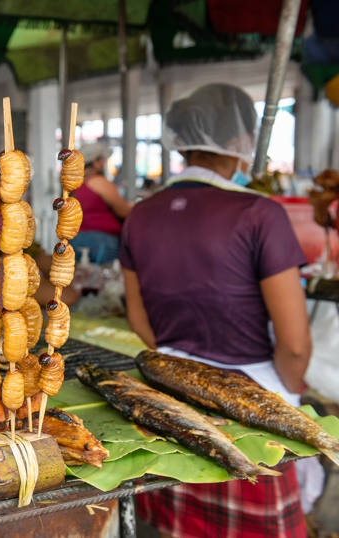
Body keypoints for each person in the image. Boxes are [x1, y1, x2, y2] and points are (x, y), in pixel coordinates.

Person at [121, 83, 312, 537]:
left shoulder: (140, 215)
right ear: (239, 141)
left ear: (183, 139)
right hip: (253, 410)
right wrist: (280, 395)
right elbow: (296, 345)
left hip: (172, 400)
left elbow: (139, 320)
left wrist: (185, 365)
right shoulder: (260, 213)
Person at [69, 142, 132, 264]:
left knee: (81, 279)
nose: (104, 163)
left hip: (75, 240)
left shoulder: (74, 185)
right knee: (105, 280)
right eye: (102, 159)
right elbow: (122, 211)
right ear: (95, 161)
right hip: (101, 241)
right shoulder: (98, 182)